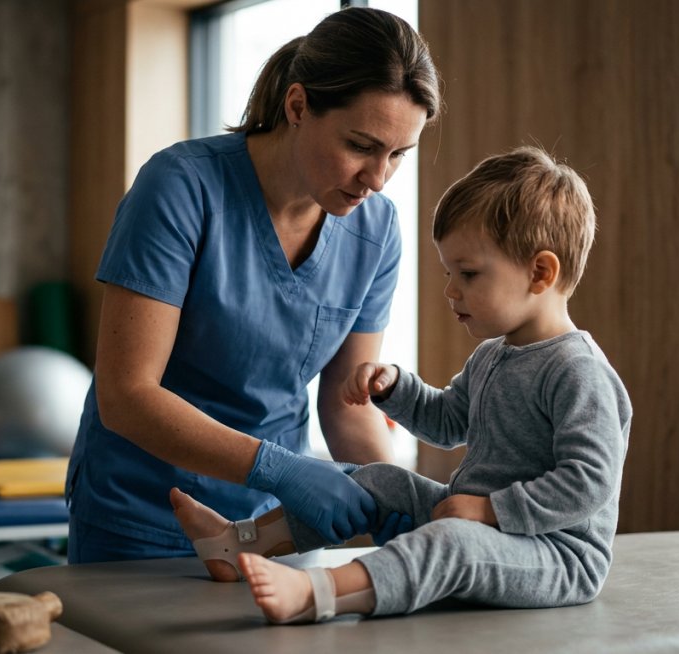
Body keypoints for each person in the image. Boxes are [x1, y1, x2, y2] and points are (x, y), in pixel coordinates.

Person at [170, 145, 633, 624]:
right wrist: (396, 388)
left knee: (453, 542)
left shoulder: (578, 371)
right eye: (449, 273)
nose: (451, 290)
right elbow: (448, 422)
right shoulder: (494, 355)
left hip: (555, 553)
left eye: (468, 274)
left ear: (540, 272)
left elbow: (589, 482)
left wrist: (489, 511)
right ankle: (238, 544)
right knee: (379, 479)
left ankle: (317, 593)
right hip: (480, 521)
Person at [64, 7, 442, 564]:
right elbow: (126, 396)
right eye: (361, 146)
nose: (378, 179)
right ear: (298, 106)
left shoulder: (376, 228)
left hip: (273, 527)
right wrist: (281, 469)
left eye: (398, 155)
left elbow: (346, 406)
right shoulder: (181, 188)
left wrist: (395, 496)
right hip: (142, 517)